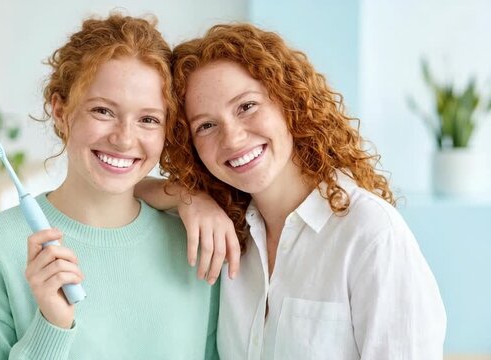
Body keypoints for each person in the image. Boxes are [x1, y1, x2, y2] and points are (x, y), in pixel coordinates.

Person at [137, 23, 446, 359]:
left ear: (289, 103)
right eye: (206, 125)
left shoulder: (370, 234)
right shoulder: (228, 231)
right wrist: (190, 197)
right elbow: (123, 188)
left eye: (247, 106)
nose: (233, 138)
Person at [0, 14, 219, 359]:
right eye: (103, 111)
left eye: (148, 119)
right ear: (61, 111)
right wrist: (51, 326)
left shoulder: (198, 241)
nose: (123, 138)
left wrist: (189, 197)